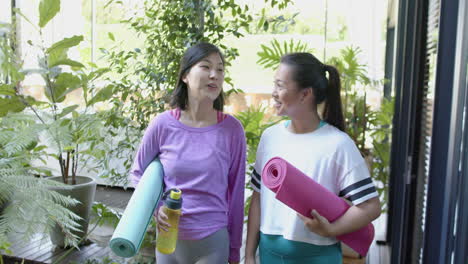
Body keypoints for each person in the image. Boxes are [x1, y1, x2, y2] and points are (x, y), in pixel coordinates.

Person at [245, 52, 381, 264]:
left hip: (317, 257)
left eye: (280, 85)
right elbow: (258, 198)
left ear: (305, 94)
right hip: (269, 254)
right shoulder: (270, 137)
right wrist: (249, 255)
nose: (273, 93)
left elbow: (370, 206)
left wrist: (332, 229)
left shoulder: (338, 144)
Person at [130, 42, 246, 264]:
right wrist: (156, 208)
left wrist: (235, 250)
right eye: (206, 67)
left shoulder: (232, 130)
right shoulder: (162, 125)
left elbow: (236, 194)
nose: (215, 75)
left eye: (220, 69)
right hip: (168, 240)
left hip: (212, 241)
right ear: (185, 75)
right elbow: (138, 173)